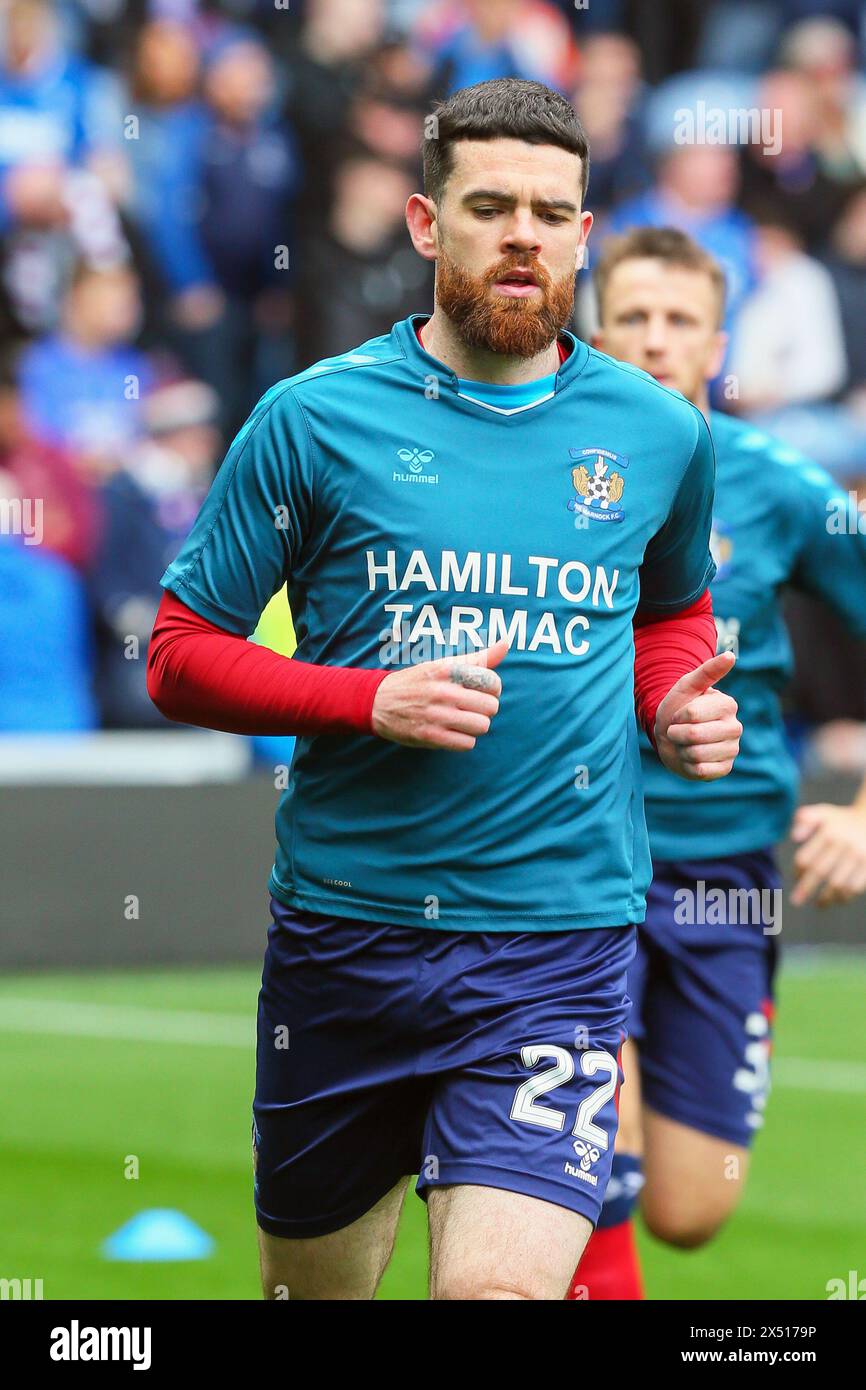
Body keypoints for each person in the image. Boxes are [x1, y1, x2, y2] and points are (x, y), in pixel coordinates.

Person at [147, 78, 742, 1301]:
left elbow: (671, 610)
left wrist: (672, 700)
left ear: (584, 232)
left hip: (556, 948)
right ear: (427, 225)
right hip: (343, 939)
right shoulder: (310, 420)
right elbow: (176, 649)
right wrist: (362, 700)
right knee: (314, 1291)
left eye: (549, 210)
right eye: (488, 206)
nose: (521, 233)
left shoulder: (659, 435)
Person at [572, 226, 866, 1300]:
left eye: (677, 320)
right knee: (585, 1158)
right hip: (569, 865)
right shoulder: (537, 470)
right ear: (595, 328)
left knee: (688, 1208)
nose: (653, 339)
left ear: (715, 342)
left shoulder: (781, 487)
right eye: (632, 316)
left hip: (724, 880)